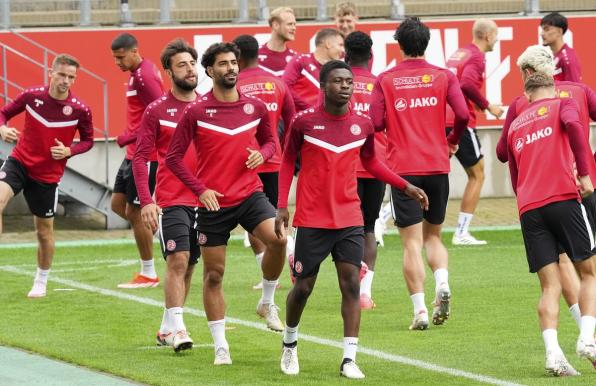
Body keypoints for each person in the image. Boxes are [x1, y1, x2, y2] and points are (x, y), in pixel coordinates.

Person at [275, 60, 428, 378]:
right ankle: (290, 345)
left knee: (351, 287)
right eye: (337, 81)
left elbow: (372, 162)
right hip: (313, 219)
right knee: (303, 288)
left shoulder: (362, 124)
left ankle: (349, 359)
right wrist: (281, 205)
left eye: (348, 81)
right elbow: (288, 159)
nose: (345, 86)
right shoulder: (304, 122)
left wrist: (405, 185)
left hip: (349, 218)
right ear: (323, 86)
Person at [166, 42, 287, 365]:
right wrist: (200, 189)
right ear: (210, 71)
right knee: (214, 275)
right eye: (223, 64)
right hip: (213, 203)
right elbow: (174, 158)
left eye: (234, 63)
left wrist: (263, 154)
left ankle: (266, 300)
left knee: (278, 240)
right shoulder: (196, 111)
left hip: (249, 194)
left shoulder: (255, 107)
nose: (231, 68)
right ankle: (221, 345)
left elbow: (272, 141)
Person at [370, 17, 469, 330]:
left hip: (404, 170)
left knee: (411, 243)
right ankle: (442, 283)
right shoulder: (443, 76)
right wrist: (452, 141)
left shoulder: (386, 79)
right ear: (426, 44)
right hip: (437, 164)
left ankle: (420, 312)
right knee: (434, 236)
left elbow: (374, 122)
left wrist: (398, 120)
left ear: (399, 45)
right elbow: (464, 114)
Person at [496, 45, 596, 350]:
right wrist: (588, 167)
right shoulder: (577, 92)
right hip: (576, 189)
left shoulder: (518, 107)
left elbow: (504, 153)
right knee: (589, 266)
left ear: (528, 74)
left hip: (535, 199)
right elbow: (575, 128)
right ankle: (587, 337)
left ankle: (562, 348)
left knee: (554, 276)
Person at [0, 54, 94, 298]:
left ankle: (41, 280)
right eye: (62, 75)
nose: (66, 81)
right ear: (51, 73)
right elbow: (4, 113)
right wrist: (2, 127)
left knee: (43, 232)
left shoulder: (80, 110)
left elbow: (88, 141)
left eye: (71, 77)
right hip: (19, 162)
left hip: (47, 175)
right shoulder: (32, 96)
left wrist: (68, 150)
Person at [132, 39, 200, 353]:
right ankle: (179, 329)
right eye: (182, 65)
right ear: (169, 71)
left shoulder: (207, 106)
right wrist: (147, 200)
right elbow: (141, 156)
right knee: (178, 259)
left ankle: (166, 327)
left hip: (206, 201)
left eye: (192, 63)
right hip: (171, 198)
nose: (189, 69)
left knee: (188, 267)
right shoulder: (156, 110)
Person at [234, 34, 296, 289]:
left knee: (252, 219)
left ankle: (283, 257)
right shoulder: (277, 82)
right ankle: (277, 265)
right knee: (268, 217)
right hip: (274, 161)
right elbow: (292, 119)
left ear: (236, 57)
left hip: (243, 162)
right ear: (258, 55)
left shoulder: (233, 85)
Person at [111, 32, 165, 289]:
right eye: (115, 58)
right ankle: (166, 230)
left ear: (134, 51)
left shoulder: (144, 76)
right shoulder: (137, 74)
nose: (117, 63)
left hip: (146, 154)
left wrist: (129, 136)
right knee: (117, 204)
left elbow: (160, 112)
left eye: (121, 57)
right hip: (132, 154)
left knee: (135, 212)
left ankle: (149, 273)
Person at [446, 19, 504, 245]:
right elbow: (466, 85)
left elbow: (457, 83)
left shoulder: (460, 52)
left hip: (443, 117)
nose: (497, 40)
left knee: (426, 173)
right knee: (478, 174)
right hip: (460, 121)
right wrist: (488, 105)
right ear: (488, 35)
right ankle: (461, 233)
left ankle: (383, 218)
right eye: (496, 35)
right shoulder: (477, 57)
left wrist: (476, 101)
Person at [343, 31, 386, 310]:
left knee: (348, 229)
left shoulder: (338, 83)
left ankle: (349, 286)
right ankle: (365, 294)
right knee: (369, 227)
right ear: (371, 56)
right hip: (376, 165)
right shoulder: (380, 85)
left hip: (345, 165)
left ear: (345, 56)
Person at [283, 28, 344, 111]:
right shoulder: (301, 60)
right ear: (328, 44)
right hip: (300, 119)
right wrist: (309, 108)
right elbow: (285, 87)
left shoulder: (336, 69)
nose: (343, 50)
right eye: (340, 45)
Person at [540, 12, 582, 82]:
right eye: (542, 29)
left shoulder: (567, 59)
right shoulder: (555, 57)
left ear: (559, 32)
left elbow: (575, 90)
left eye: (546, 29)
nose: (542, 34)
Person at [258, 7, 297, 77]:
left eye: (294, 24)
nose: (294, 28)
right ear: (275, 25)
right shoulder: (255, 56)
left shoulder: (296, 59)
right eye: (290, 24)